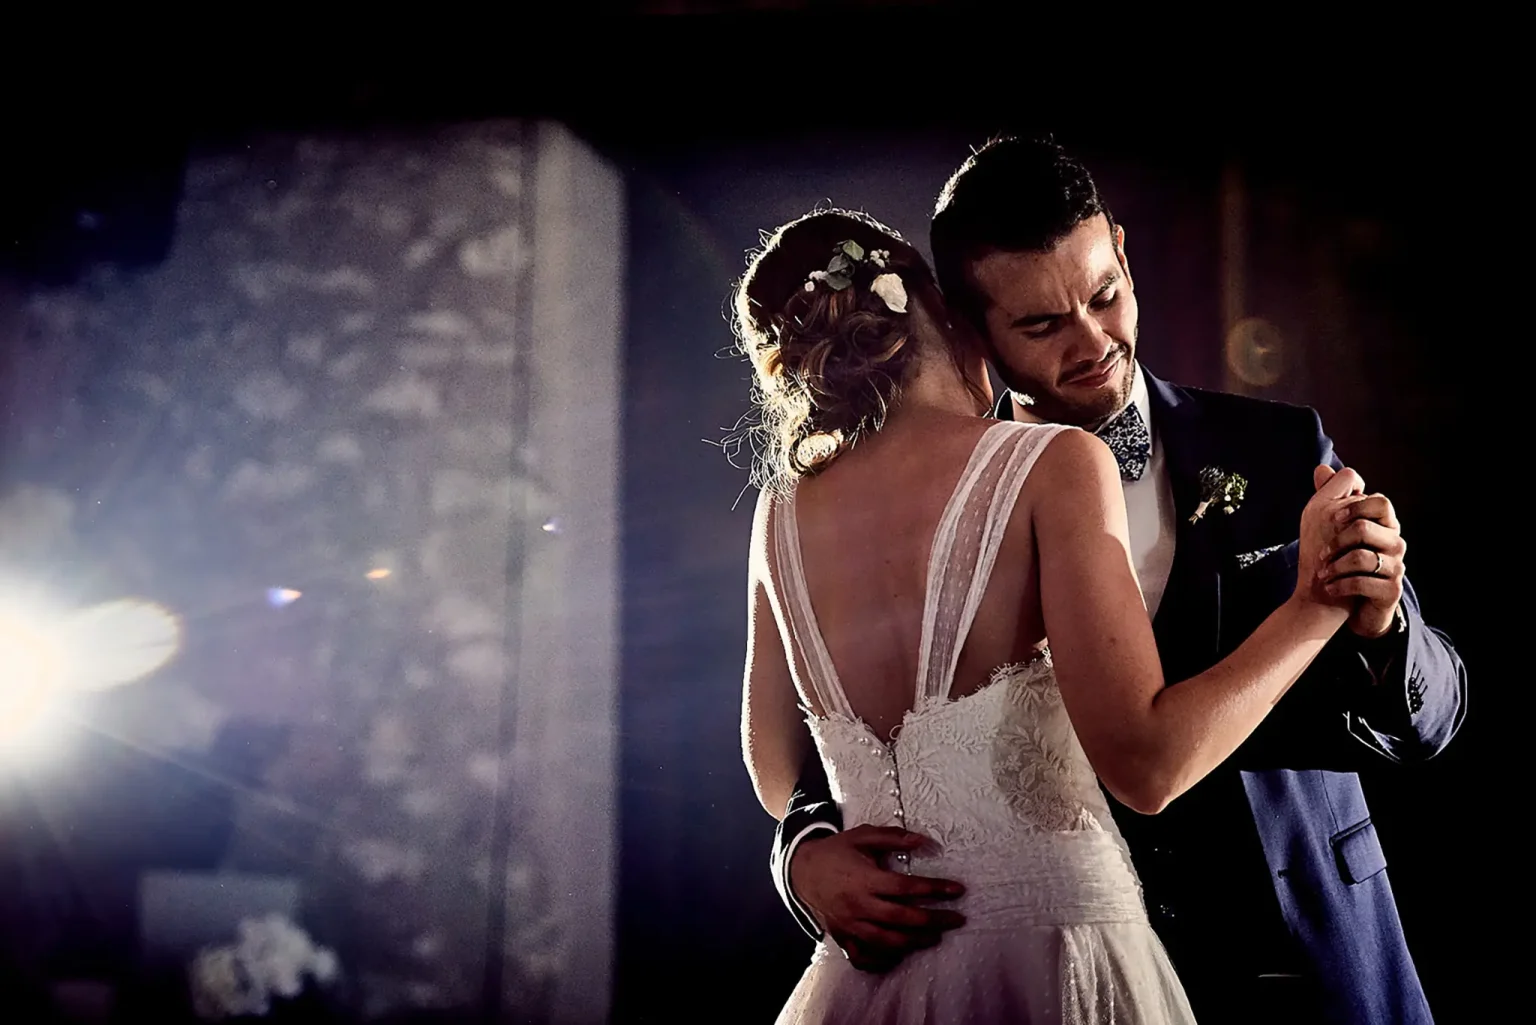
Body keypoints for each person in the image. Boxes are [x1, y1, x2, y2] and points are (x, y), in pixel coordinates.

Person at [769, 139, 1467, 1024]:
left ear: (1123, 253)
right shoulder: (940, 500)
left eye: (1104, 295)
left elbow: (1436, 717)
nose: (1095, 342)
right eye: (1041, 326)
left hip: (1308, 960)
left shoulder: (1280, 448)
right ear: (972, 327)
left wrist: (1380, 630)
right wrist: (802, 851)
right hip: (1072, 978)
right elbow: (826, 727)